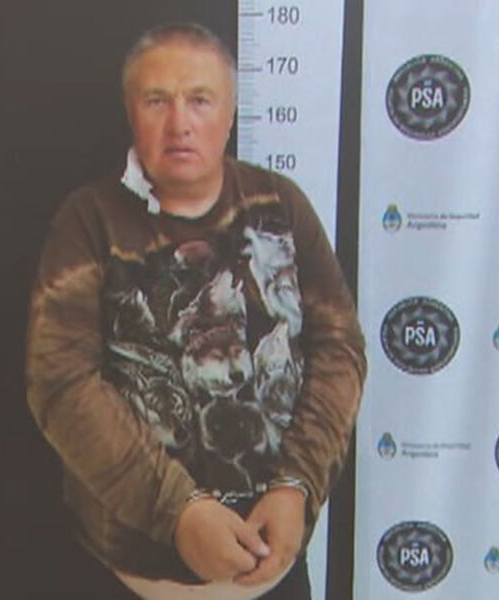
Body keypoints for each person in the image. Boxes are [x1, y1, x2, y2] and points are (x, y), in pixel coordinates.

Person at [26, 22, 366, 600]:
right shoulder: (88, 221)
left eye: (200, 100)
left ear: (231, 112)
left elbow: (340, 349)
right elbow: (60, 383)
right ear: (131, 112)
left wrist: (297, 484)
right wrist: (178, 511)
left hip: (274, 571)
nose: (179, 123)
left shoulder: (280, 204)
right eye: (157, 100)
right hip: (128, 576)